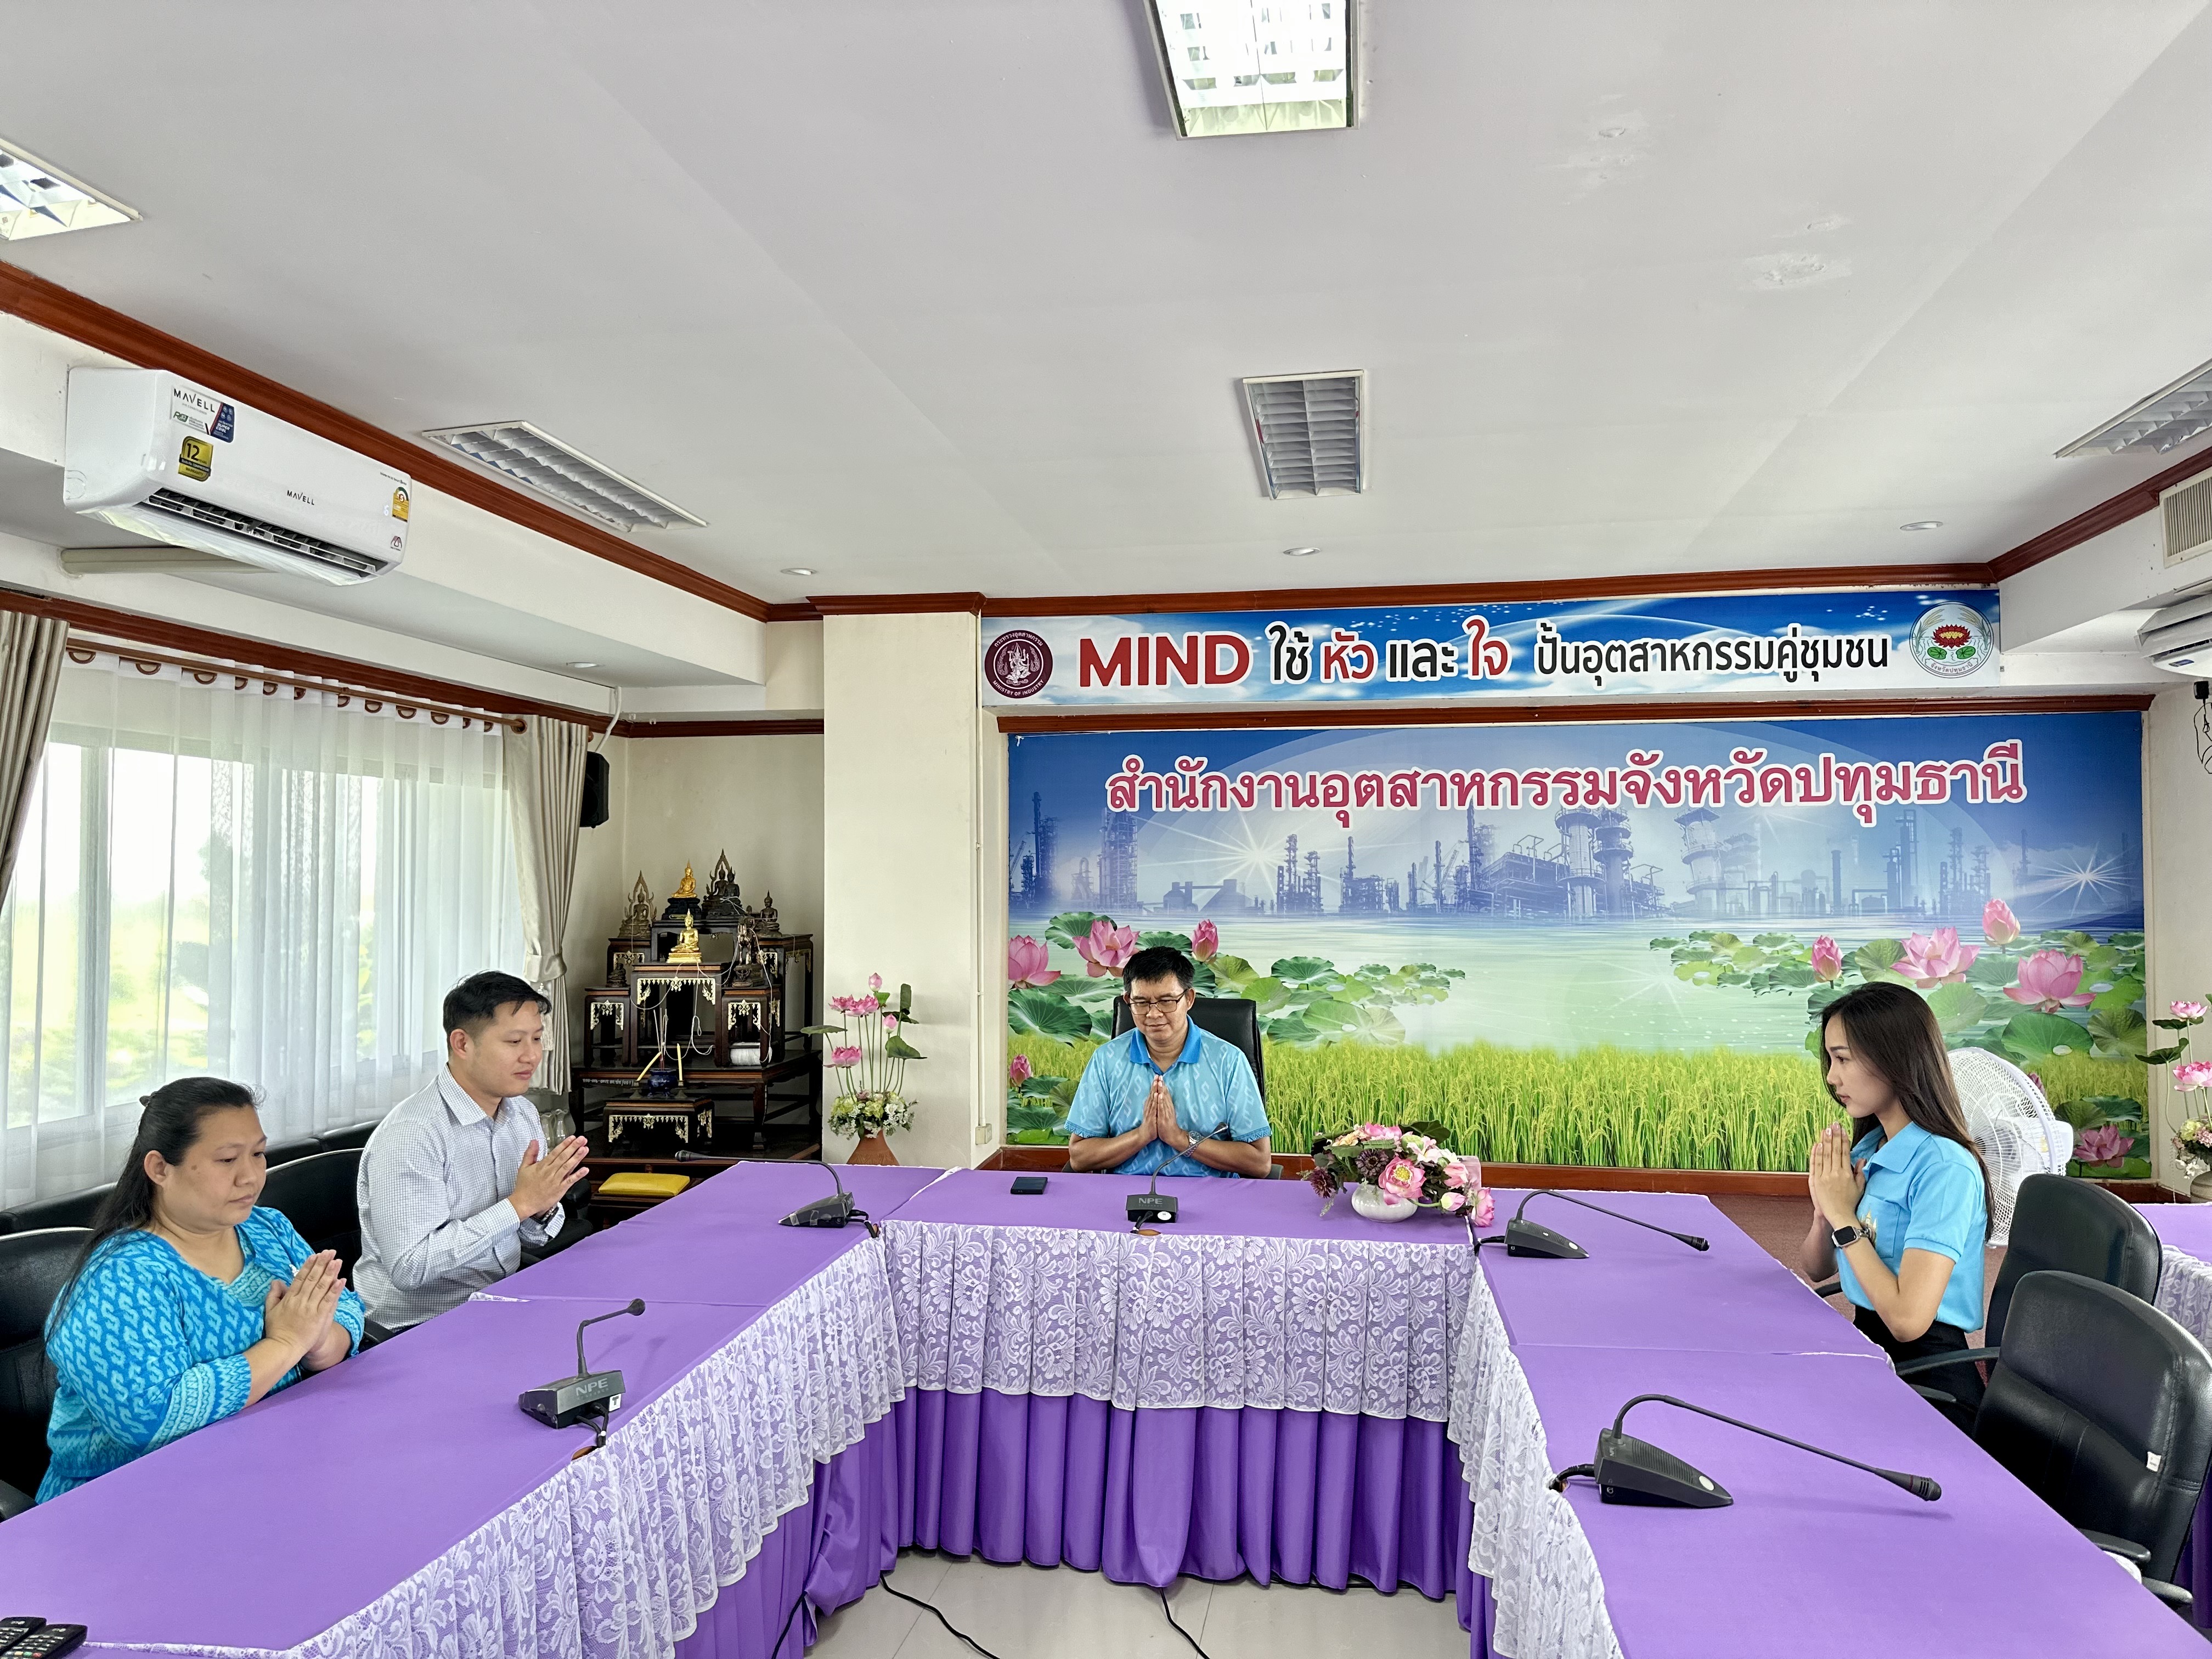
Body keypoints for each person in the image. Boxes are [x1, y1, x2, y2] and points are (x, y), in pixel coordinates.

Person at [40, 1078, 364, 1500]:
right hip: (131, 1499)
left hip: (270, 1464)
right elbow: (153, 1420)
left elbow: (346, 1310)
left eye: (258, 1154)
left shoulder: (267, 1228)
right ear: (160, 1169)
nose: (251, 1177)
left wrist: (319, 1343)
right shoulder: (119, 1279)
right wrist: (287, 1342)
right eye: (227, 1160)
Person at [1796, 980, 1993, 1427]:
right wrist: (1824, 1211)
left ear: (1893, 1058)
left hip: (1928, 1385)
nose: (1831, 1077)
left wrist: (1844, 1217)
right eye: (1830, 1060)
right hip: (1871, 1351)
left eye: (1843, 1059)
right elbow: (1816, 1267)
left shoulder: (1945, 1168)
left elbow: (1908, 1321)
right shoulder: (1870, 1148)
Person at [353, 972, 590, 1330]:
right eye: (514, 1041)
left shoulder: (522, 1114)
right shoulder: (412, 1135)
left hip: (501, 1300)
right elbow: (409, 1268)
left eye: (537, 1039)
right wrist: (519, 1205)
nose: (532, 1056)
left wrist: (540, 1207)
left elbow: (533, 1237)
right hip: (419, 1327)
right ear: (462, 1044)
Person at [1066, 945, 1272, 1178]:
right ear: (1128, 1000)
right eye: (1141, 1003)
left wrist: (1179, 1138)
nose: (1153, 1014)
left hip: (1210, 1193)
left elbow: (1259, 1162)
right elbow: (1080, 1157)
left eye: (1166, 1001)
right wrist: (1142, 1136)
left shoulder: (1228, 1061)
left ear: (1189, 999)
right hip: (1127, 1193)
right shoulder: (1106, 1060)